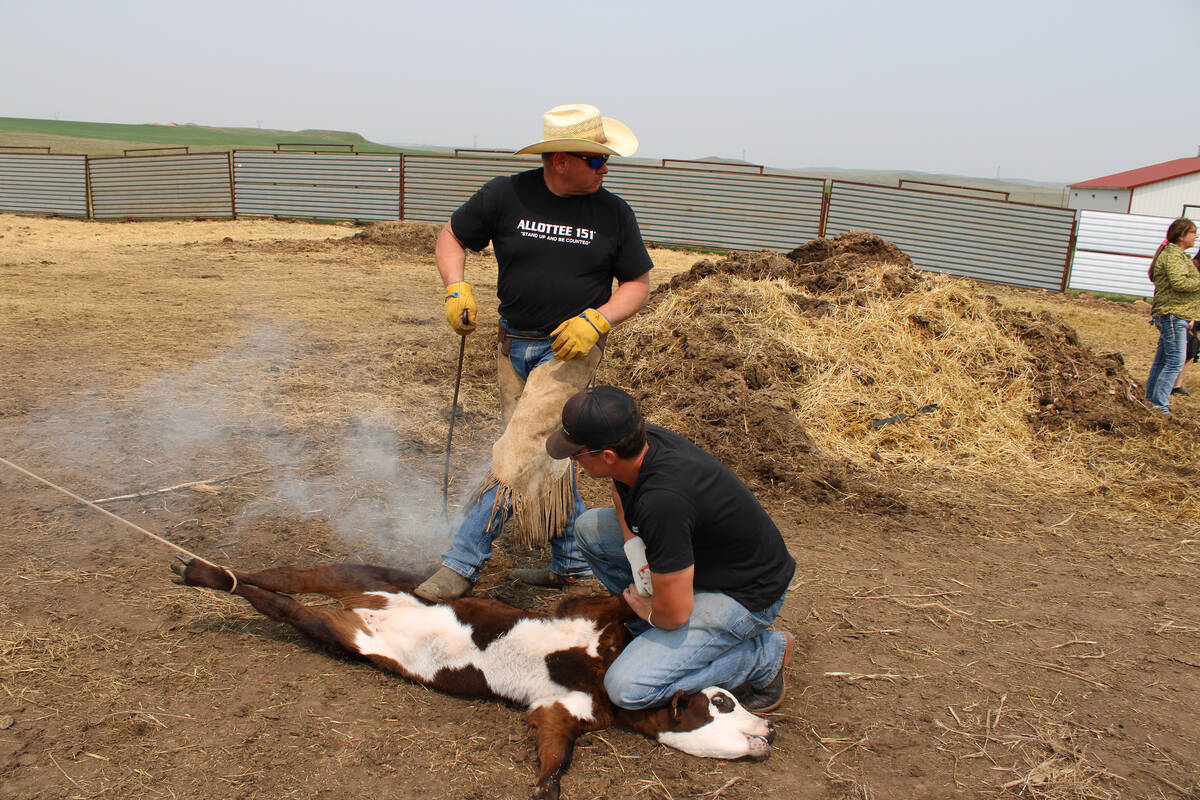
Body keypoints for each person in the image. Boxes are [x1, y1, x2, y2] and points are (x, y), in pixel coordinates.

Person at [415, 105, 653, 602]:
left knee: (516, 452)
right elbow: (452, 236)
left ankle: (461, 564)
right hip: (511, 346)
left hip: (570, 354)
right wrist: (455, 287)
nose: (604, 168)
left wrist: (598, 319)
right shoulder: (507, 194)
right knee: (548, 456)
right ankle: (571, 563)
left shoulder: (613, 213)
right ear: (560, 159)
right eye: (595, 160)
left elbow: (636, 284)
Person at [545, 386, 796, 712]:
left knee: (626, 688)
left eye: (577, 454)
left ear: (607, 456)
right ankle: (662, 643)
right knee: (589, 529)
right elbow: (621, 495)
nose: (574, 461)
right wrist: (637, 555)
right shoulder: (638, 445)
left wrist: (649, 610)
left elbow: (675, 614)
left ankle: (763, 657)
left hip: (747, 594)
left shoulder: (663, 503)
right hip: (703, 562)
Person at [1145, 218, 1200, 414]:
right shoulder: (1173, 257)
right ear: (1181, 236)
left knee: (1162, 361)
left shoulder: (1179, 256)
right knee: (1176, 361)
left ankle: (1151, 400)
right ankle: (1160, 405)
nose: (1196, 236)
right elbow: (1180, 283)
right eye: (1193, 232)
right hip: (1173, 315)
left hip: (1175, 314)